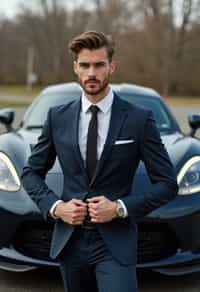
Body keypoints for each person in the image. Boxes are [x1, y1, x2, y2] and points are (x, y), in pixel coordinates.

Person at [21, 31, 178, 292]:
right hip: (69, 241)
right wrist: (56, 207)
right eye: (84, 65)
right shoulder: (57, 117)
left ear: (111, 67)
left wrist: (119, 208)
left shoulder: (139, 119)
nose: (91, 72)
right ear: (75, 68)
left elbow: (167, 184)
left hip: (114, 243)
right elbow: (30, 173)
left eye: (98, 65)